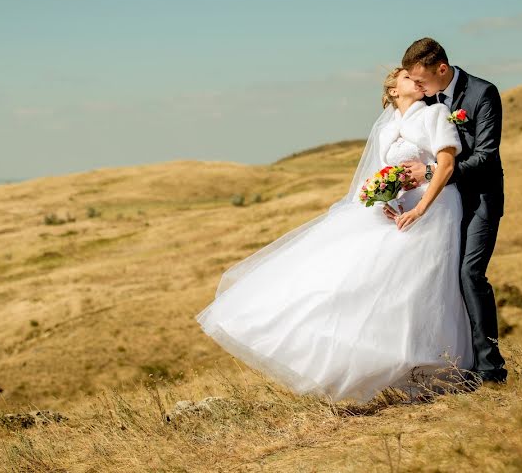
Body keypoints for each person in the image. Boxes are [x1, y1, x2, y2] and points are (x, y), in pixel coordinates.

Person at [195, 66, 476, 404]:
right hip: (401, 209)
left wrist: (420, 204)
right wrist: (381, 202)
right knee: (370, 283)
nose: (415, 81)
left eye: (417, 78)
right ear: (391, 91)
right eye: (405, 77)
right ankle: (390, 369)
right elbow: (376, 176)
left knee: (426, 285)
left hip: (435, 208)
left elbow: (445, 164)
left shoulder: (435, 113)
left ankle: (438, 370)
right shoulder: (387, 128)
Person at [392, 37, 508, 385]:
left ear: (441, 69)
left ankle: (490, 370)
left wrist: (432, 174)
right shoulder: (426, 100)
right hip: (442, 207)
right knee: (440, 281)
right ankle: (456, 367)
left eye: (422, 80)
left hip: (480, 198)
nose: (418, 86)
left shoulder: (482, 94)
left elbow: (486, 157)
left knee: (471, 275)